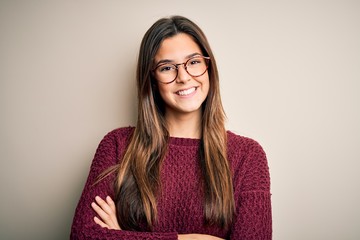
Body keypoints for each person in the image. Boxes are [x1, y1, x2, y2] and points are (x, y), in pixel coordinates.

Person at [70, 15, 272, 240]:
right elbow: (83, 235)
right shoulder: (117, 145)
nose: (184, 77)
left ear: (209, 67)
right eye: (167, 68)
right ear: (152, 80)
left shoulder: (248, 155)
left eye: (194, 62)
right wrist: (191, 239)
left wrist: (122, 236)